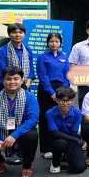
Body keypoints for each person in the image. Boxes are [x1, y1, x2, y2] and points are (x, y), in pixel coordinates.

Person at [0, 67, 39, 177]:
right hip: (1, 133)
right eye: (8, 79)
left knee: (32, 136)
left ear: (22, 80)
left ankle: (27, 167)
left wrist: (14, 136)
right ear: (3, 80)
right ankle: (0, 161)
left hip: (21, 133)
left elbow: (32, 120)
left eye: (16, 79)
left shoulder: (29, 97)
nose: (12, 82)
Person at [36, 32, 70, 160]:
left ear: (60, 43)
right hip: (46, 90)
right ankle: (46, 148)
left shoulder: (64, 57)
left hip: (61, 89)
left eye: (56, 41)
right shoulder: (42, 57)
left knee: (60, 117)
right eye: (51, 41)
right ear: (48, 43)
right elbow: (43, 76)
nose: (54, 44)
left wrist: (63, 91)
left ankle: (60, 145)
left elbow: (67, 75)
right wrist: (51, 93)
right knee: (46, 117)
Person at [46, 86, 87, 174]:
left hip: (71, 138)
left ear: (72, 100)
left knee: (79, 168)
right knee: (60, 143)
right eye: (62, 100)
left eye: (69, 100)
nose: (65, 103)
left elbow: (74, 133)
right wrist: (79, 141)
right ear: (57, 100)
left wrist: (66, 157)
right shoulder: (50, 113)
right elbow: (55, 133)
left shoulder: (77, 112)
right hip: (56, 139)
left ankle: (65, 159)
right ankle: (55, 162)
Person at [0, 23, 35, 91]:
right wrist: (15, 84)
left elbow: (31, 70)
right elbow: (2, 72)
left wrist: (27, 84)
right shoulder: (1, 51)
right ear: (9, 34)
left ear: (24, 35)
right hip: (7, 86)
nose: (17, 35)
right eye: (14, 32)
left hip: (25, 87)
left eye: (20, 32)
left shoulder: (28, 50)